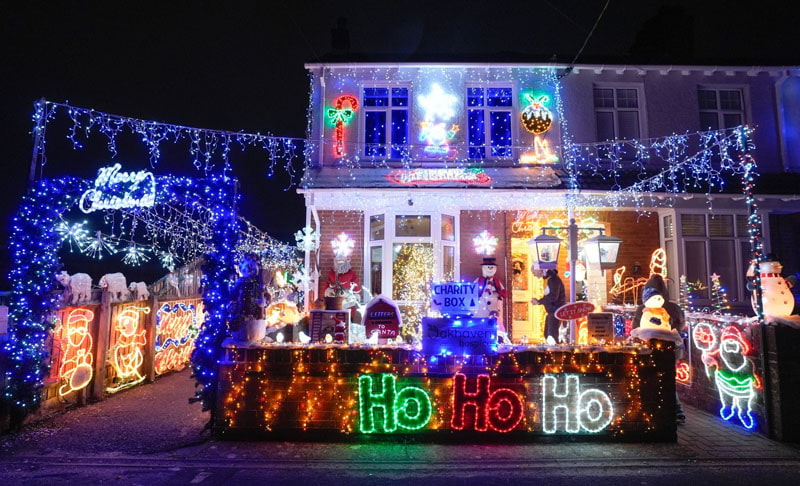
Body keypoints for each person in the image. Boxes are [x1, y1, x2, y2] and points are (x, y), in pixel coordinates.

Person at [633, 274, 687, 424]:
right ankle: (675, 410)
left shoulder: (643, 309)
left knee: (652, 379)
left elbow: (636, 327)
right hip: (672, 351)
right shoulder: (674, 308)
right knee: (668, 379)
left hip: (651, 349)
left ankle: (658, 409)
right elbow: (680, 326)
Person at [530, 268, 566, 343]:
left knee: (551, 335)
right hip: (552, 311)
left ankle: (554, 352)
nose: (533, 274)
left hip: (556, 311)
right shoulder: (549, 279)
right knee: (548, 334)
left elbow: (553, 296)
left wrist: (539, 301)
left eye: (534, 272)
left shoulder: (553, 280)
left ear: (539, 270)